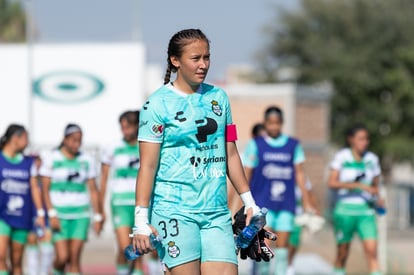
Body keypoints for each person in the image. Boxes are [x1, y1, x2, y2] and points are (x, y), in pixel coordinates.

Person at [131, 28, 261, 275]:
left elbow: (230, 152)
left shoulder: (219, 98)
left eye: (207, 57)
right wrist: (140, 220)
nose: (203, 65)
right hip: (173, 211)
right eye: (196, 58)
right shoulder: (156, 104)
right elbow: (147, 166)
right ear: (175, 60)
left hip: (216, 213)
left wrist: (249, 202)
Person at [243, 106, 313, 275]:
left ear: (282, 123)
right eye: (270, 123)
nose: (274, 127)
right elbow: (246, 175)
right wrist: (244, 202)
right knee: (265, 247)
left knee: (282, 249)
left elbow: (300, 175)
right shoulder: (256, 145)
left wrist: (306, 200)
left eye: (277, 123)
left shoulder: (293, 145)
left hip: (286, 203)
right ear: (265, 123)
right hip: (263, 204)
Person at [40, 124, 103, 275]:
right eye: (74, 140)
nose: (77, 144)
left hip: (80, 214)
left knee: (74, 259)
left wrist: (97, 216)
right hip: (59, 214)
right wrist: (51, 213)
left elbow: (93, 190)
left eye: (79, 141)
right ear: (65, 139)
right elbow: (45, 189)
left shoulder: (86, 160)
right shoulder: (52, 158)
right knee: (62, 257)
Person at [100, 110, 154, 275]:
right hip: (120, 203)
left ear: (137, 126)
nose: (125, 131)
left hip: (143, 203)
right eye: (122, 127)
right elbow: (103, 179)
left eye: (128, 127)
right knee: (127, 248)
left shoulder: (147, 146)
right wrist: (100, 210)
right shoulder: (112, 147)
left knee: (141, 249)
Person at [328, 124, 384, 275]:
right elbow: (331, 182)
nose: (364, 142)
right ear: (351, 140)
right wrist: (356, 185)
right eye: (360, 139)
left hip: (366, 212)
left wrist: (378, 198)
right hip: (344, 211)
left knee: (372, 252)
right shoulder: (342, 157)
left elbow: (376, 186)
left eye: (366, 139)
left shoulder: (372, 159)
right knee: (342, 254)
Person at [0, 124, 45, 275]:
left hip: (22, 217)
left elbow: (34, 188)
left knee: (17, 261)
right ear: (15, 138)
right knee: (0, 256)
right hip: (2, 216)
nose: (27, 142)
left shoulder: (28, 163)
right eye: (25, 138)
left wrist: (40, 213)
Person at [25, 155, 54, 275]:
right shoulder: (28, 181)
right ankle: (32, 272)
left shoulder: (46, 180)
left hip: (46, 216)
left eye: (38, 162)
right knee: (32, 241)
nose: (36, 165)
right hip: (30, 215)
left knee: (47, 243)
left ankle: (43, 271)